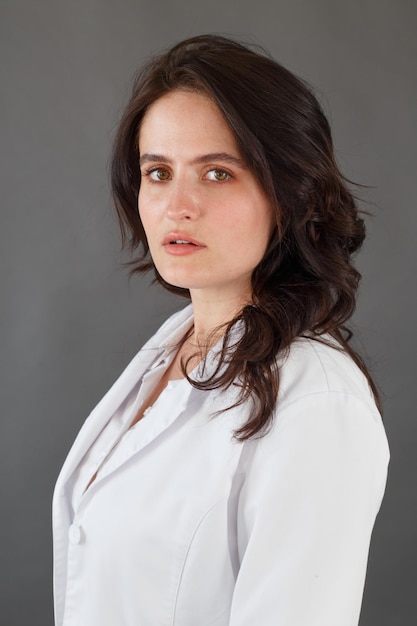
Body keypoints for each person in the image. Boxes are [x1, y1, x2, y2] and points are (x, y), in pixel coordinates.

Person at [52, 35, 389, 626]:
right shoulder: (172, 350)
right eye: (158, 172)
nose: (177, 205)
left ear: (288, 193)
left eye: (217, 173)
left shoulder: (316, 399)